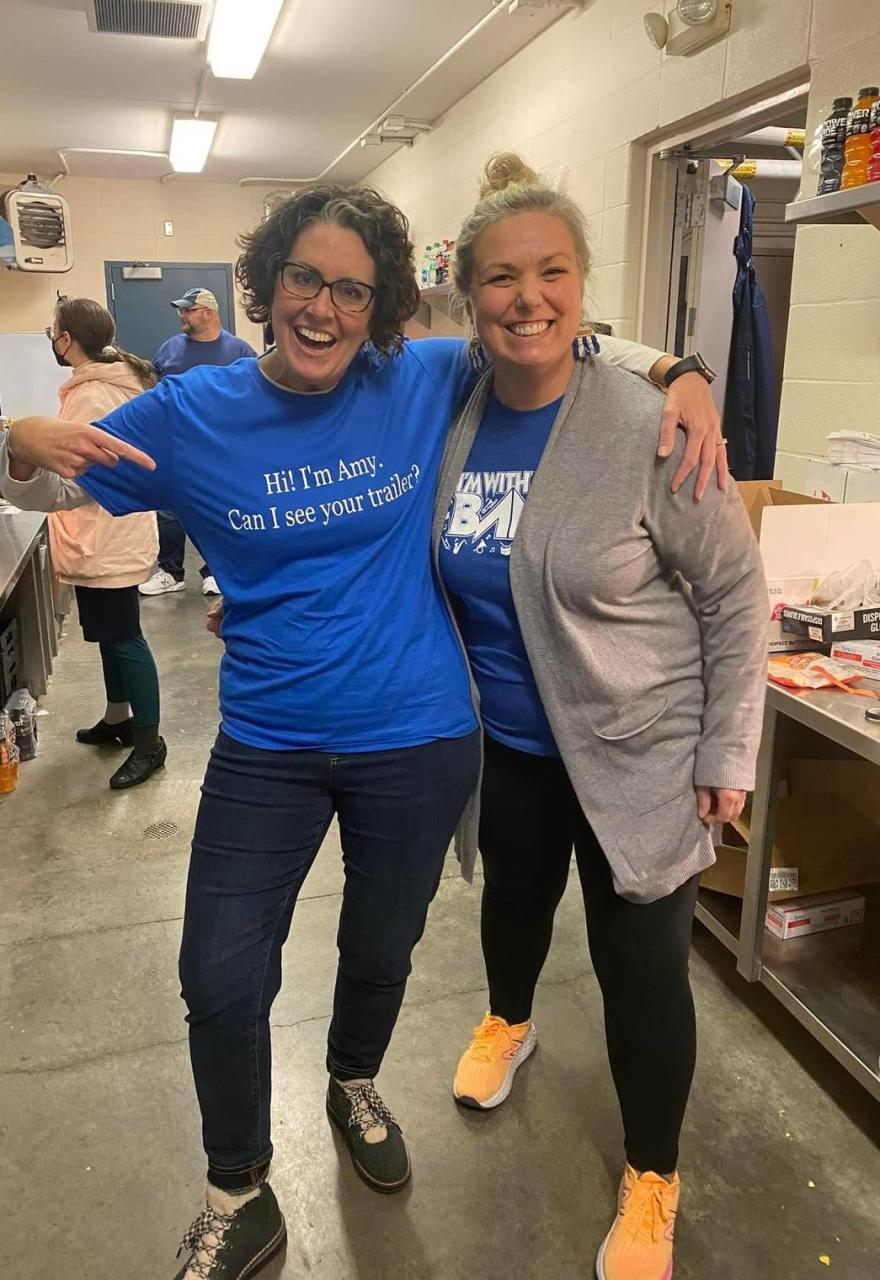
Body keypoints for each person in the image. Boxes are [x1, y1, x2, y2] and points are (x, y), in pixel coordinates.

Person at [0, 180, 726, 1280]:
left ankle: (349, 1079)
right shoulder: (189, 414)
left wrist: (686, 375)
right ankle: (235, 1186)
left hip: (419, 738)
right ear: (267, 283)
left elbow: (547, 333)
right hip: (268, 742)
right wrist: (16, 433)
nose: (325, 308)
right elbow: (49, 488)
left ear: (381, 307)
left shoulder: (419, 376)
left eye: (352, 289)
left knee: (382, 950)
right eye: (306, 279)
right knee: (221, 969)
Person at [436, 156, 769, 1280]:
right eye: (500, 278)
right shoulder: (459, 407)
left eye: (551, 272)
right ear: (466, 292)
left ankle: (654, 1174)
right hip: (512, 752)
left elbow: (735, 594)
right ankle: (509, 1019)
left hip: (642, 759)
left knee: (640, 979)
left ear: (582, 285)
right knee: (512, 915)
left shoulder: (648, 423)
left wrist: (728, 746)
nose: (527, 297)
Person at [44, 297, 166, 790]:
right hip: (107, 532)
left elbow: (80, 468)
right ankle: (118, 719)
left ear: (68, 339)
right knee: (110, 637)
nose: (52, 341)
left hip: (105, 533)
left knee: (124, 637)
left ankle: (150, 744)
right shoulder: (108, 382)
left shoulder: (94, 394)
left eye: (53, 332)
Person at [142, 287, 257, 599]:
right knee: (168, 511)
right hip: (174, 445)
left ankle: (216, 571)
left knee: (217, 510)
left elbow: (255, 398)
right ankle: (170, 572)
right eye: (181, 310)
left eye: (188, 310)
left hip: (221, 448)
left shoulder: (239, 351)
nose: (182, 315)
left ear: (208, 313)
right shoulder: (170, 349)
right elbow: (153, 391)